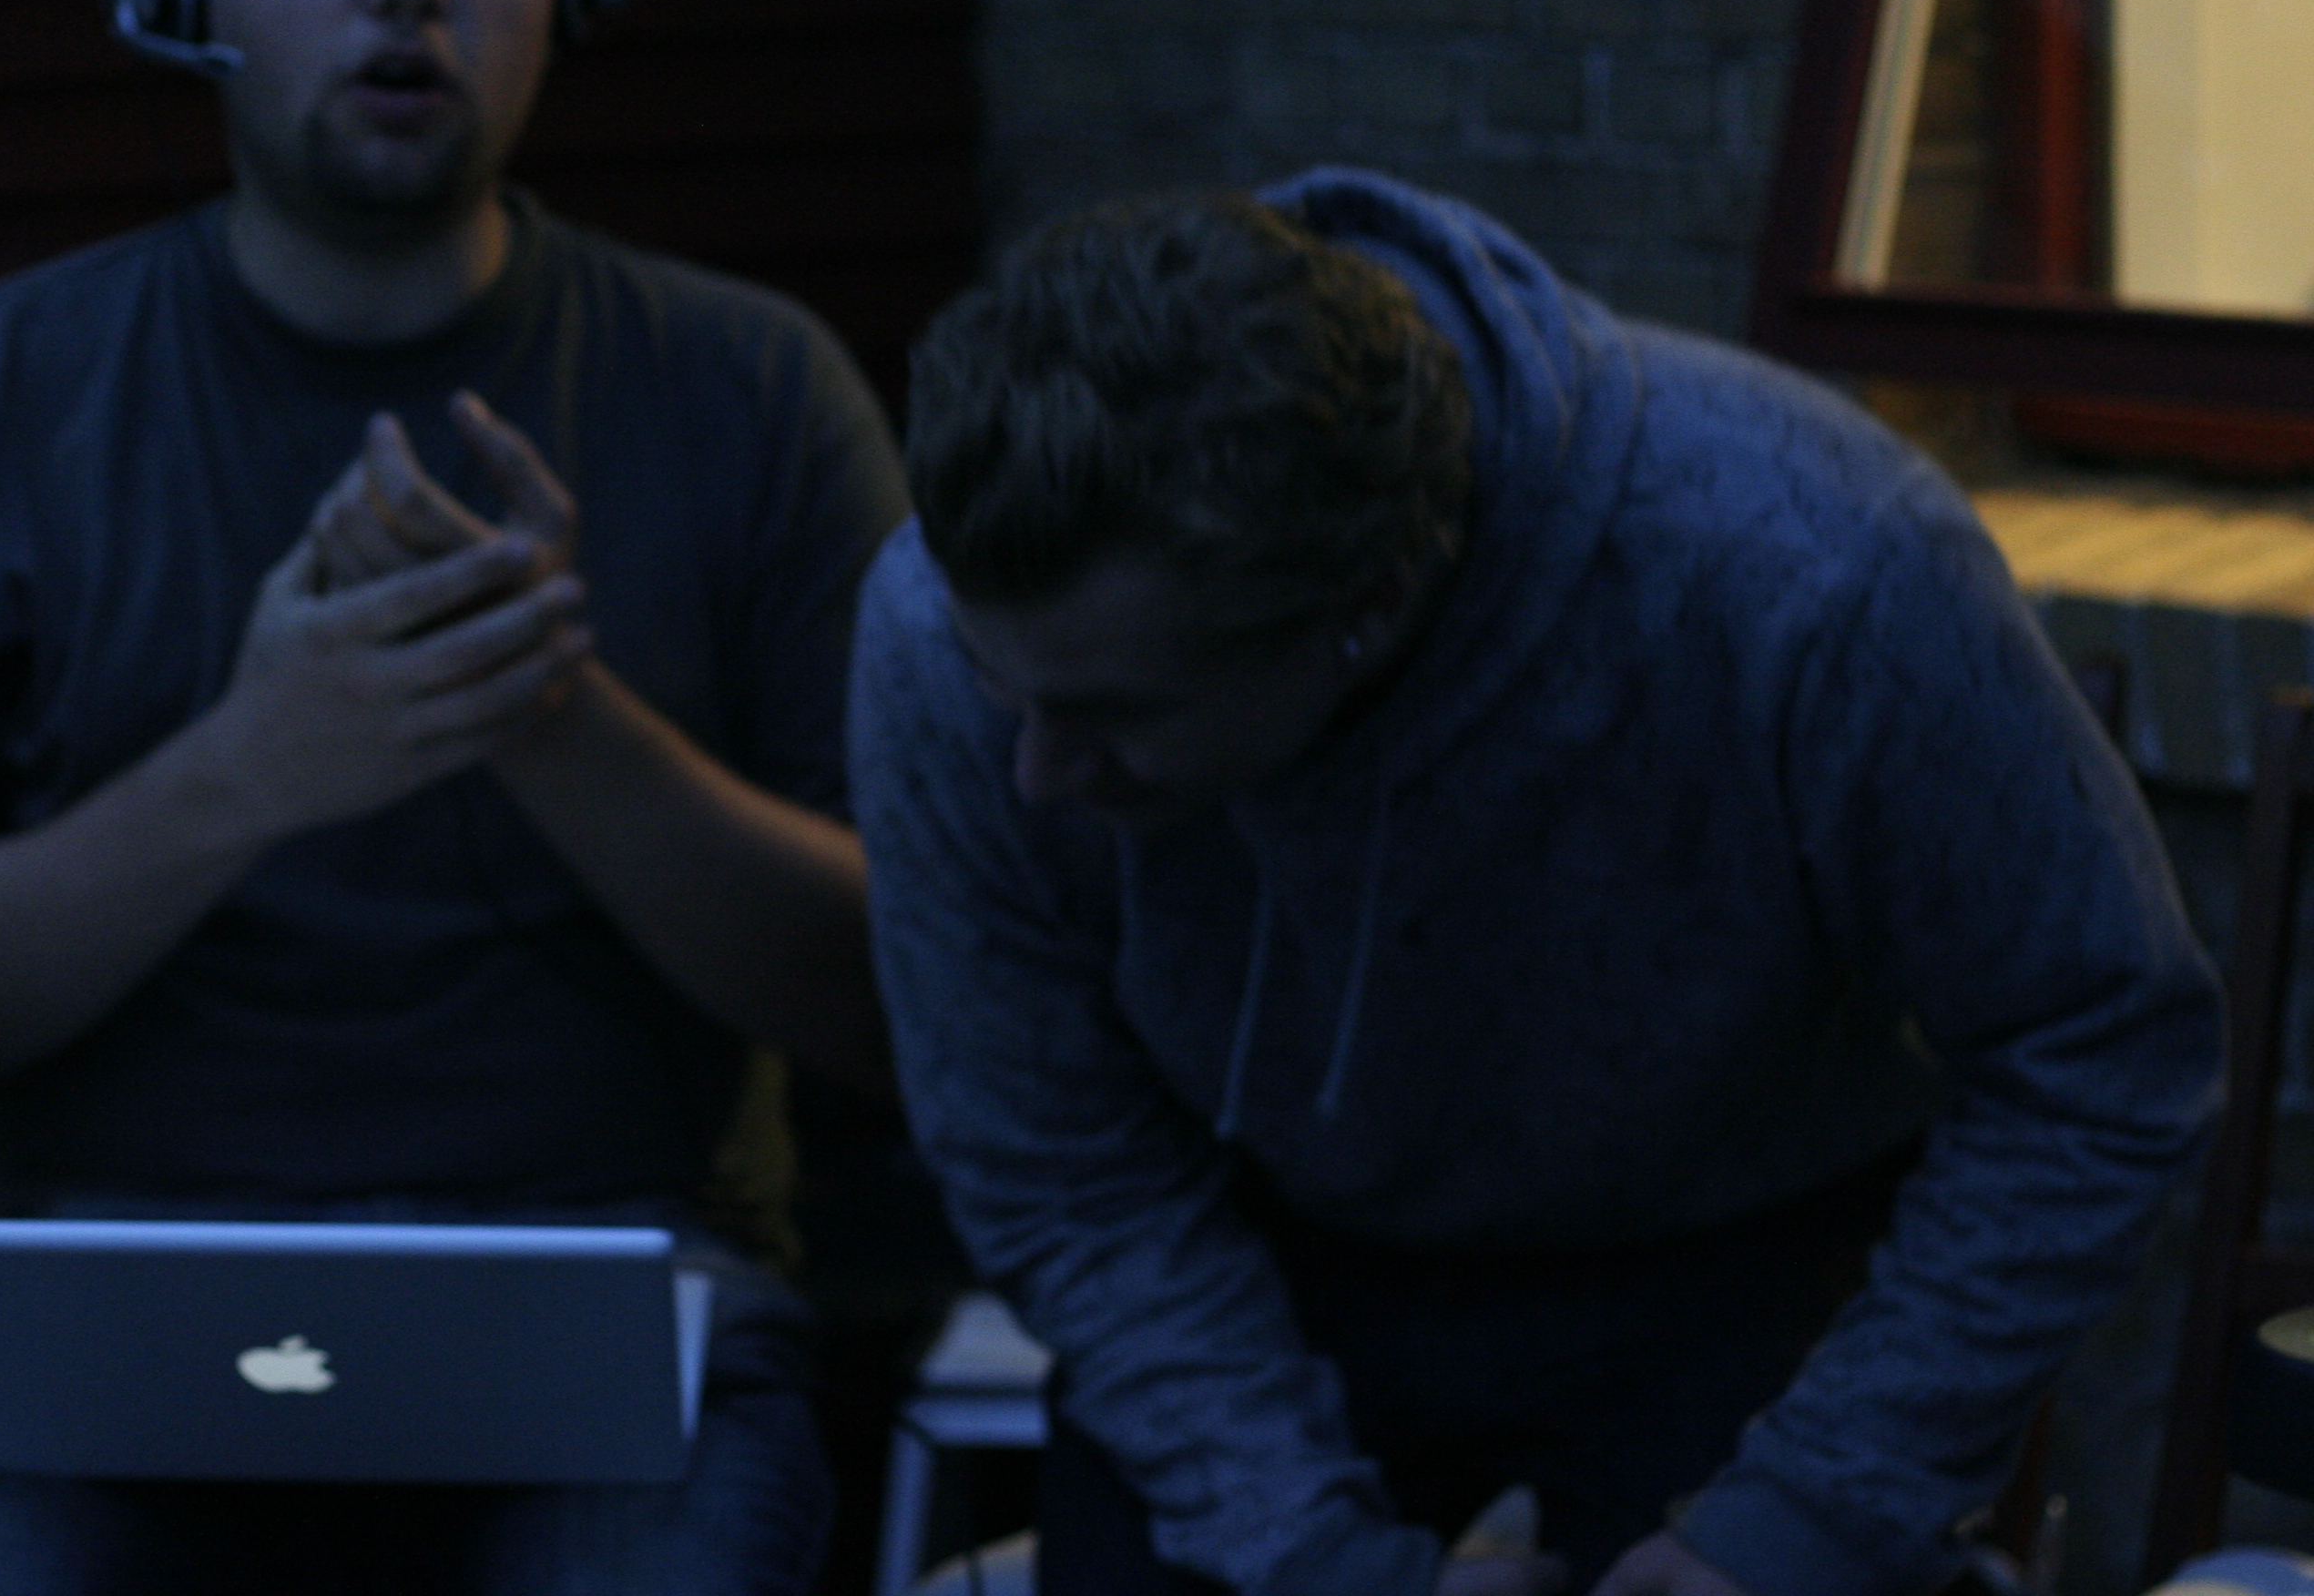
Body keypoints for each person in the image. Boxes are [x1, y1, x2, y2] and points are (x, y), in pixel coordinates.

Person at [0, 0, 908, 1595]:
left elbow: (901, 1001)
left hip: (620, 1296)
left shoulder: (756, 392)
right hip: (107, 1314)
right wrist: (258, 764)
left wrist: (547, 710)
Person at [849, 174, 2226, 1596]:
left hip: (1749, 1244)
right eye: (1003, 689)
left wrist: (1813, 1509)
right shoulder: (944, 630)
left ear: (1368, 605)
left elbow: (2100, 1044)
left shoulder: (1811, 574)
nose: (1037, 772)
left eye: (1115, 717)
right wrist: (1318, 1563)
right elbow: (1055, 1155)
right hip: (1247, 1250)